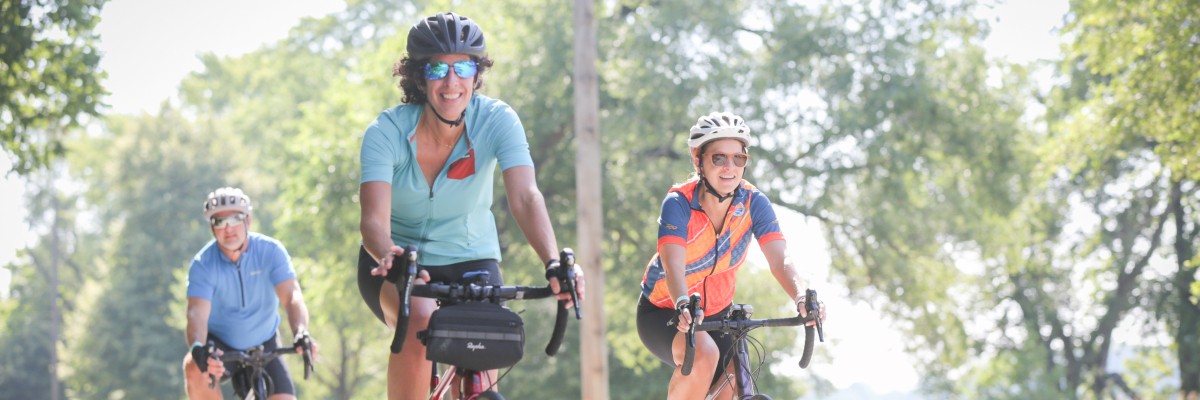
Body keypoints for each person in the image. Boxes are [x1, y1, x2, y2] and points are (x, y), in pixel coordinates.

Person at [355, 12, 584, 399]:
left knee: (483, 349)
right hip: (396, 262)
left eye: (463, 67)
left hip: (471, 259)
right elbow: (373, 222)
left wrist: (552, 262)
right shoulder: (386, 132)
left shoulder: (497, 120)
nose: (451, 82)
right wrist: (391, 256)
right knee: (419, 322)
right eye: (437, 69)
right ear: (416, 76)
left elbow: (526, 197)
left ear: (477, 74)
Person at [636, 111, 827, 399]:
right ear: (697, 159)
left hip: (720, 314)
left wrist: (801, 297)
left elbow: (780, 259)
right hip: (666, 309)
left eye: (739, 158)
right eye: (719, 158)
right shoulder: (679, 203)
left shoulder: (753, 202)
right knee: (704, 356)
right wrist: (682, 303)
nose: (730, 167)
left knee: (739, 380)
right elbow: (673, 263)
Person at [183, 187, 318, 400]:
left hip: (265, 341)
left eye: (235, 219)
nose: (228, 229)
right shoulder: (203, 265)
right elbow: (196, 314)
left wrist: (301, 331)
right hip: (221, 345)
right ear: (212, 228)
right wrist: (199, 348)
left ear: (249, 220)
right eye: (220, 222)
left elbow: (292, 297)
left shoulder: (271, 251)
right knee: (193, 366)